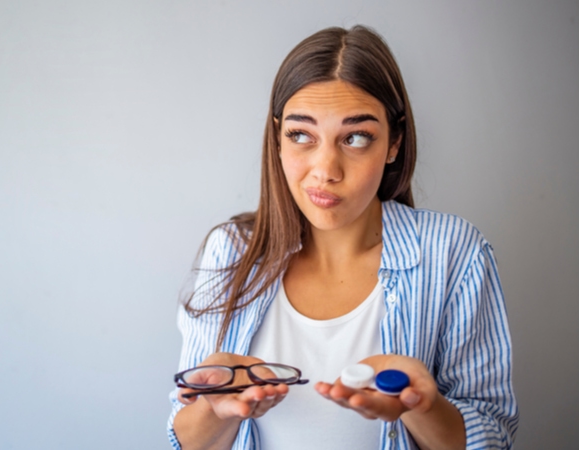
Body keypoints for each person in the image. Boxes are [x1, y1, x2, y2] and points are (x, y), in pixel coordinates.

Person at [167, 25, 518, 450]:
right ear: (277, 139)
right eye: (301, 135)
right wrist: (214, 408)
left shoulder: (453, 252)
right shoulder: (230, 251)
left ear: (394, 143)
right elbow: (184, 439)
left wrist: (419, 407)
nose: (325, 170)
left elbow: (494, 437)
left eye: (355, 138)